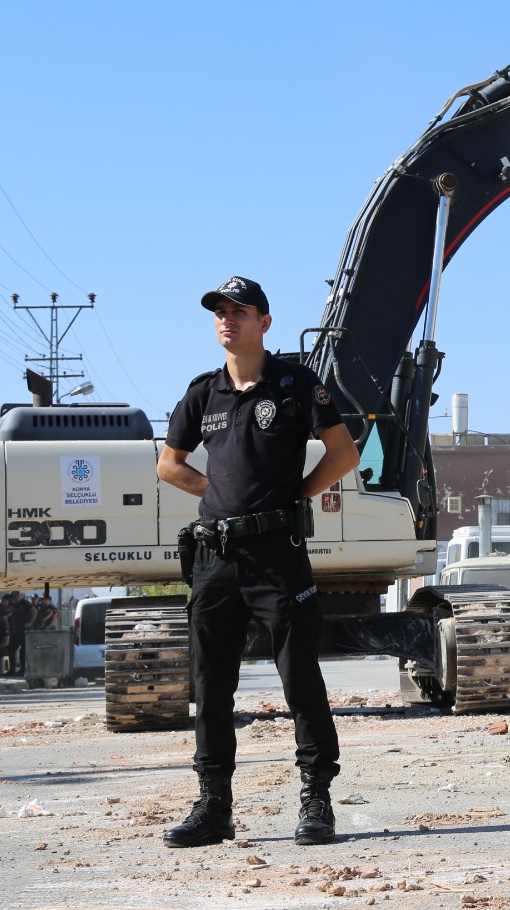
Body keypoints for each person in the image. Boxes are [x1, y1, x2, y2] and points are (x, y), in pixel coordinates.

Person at [157, 276, 359, 848]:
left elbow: (343, 453)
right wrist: (214, 493)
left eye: (239, 311)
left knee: (299, 679)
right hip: (215, 558)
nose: (228, 319)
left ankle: (316, 801)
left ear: (264, 323)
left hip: (277, 557)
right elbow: (168, 465)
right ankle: (213, 807)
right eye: (220, 312)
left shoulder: (295, 383)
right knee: (211, 684)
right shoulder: (203, 393)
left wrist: (296, 496)